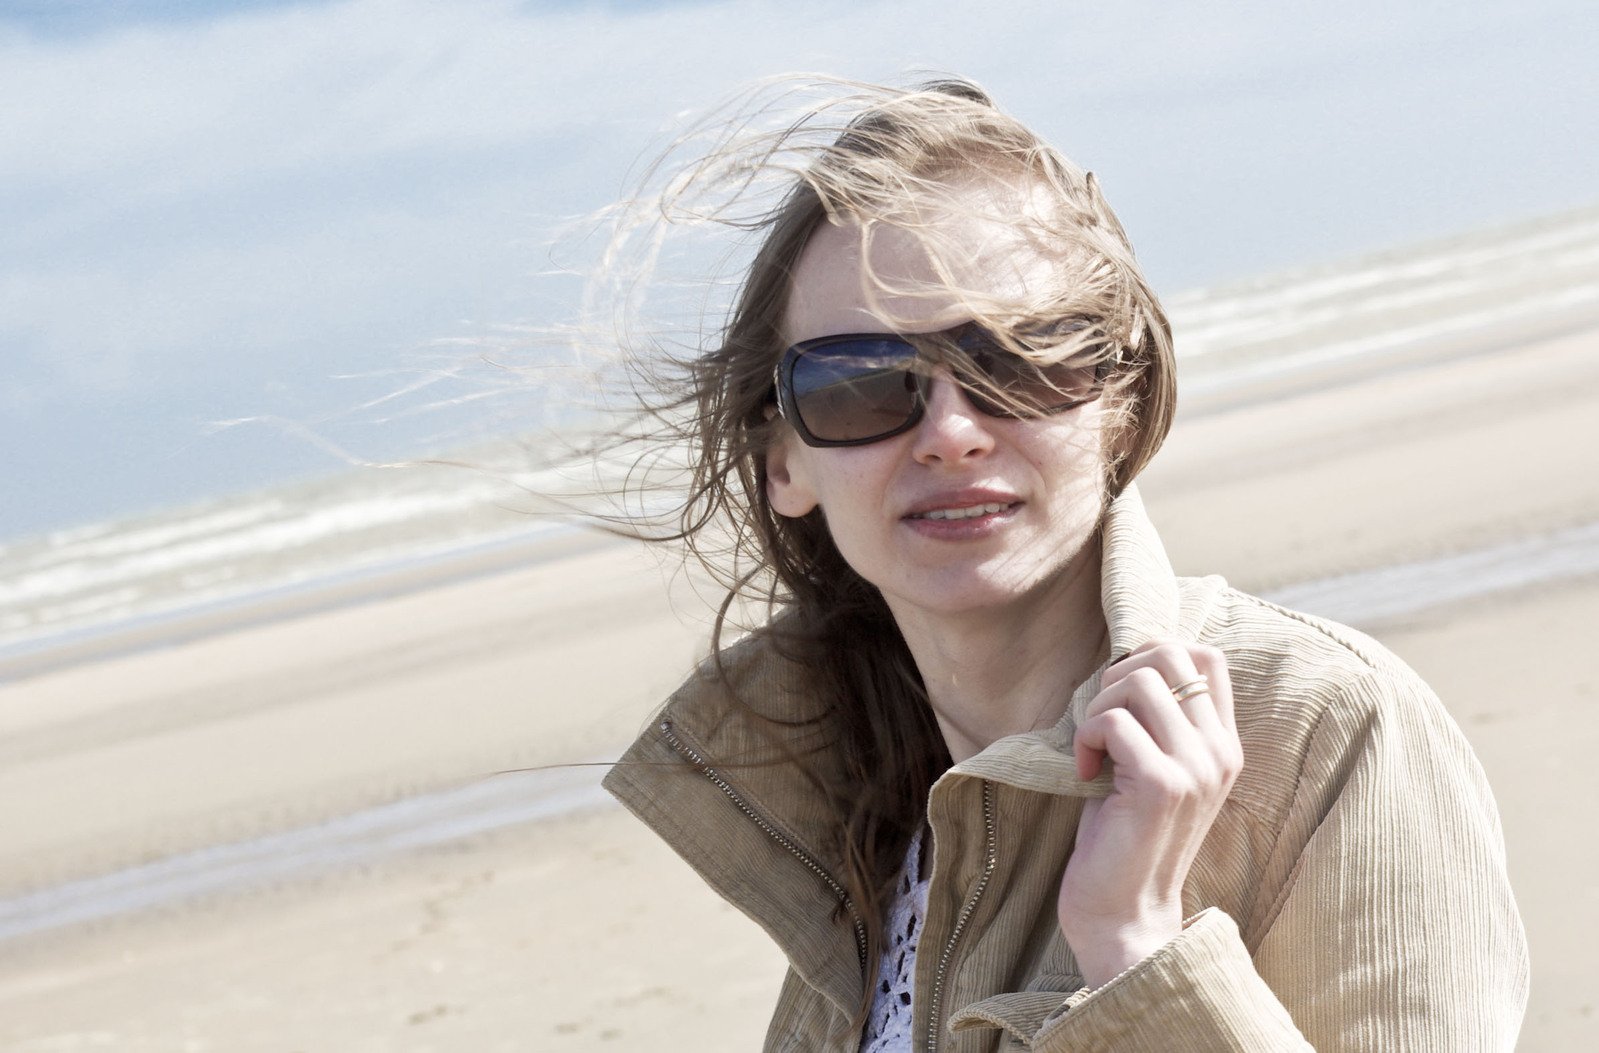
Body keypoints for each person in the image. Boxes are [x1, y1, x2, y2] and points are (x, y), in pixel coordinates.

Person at [599, 78, 1528, 1051]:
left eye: (1020, 357)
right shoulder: (871, 818)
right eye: (862, 382)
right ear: (785, 459)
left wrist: (1134, 951)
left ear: (1119, 399)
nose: (952, 433)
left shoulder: (1321, 729)